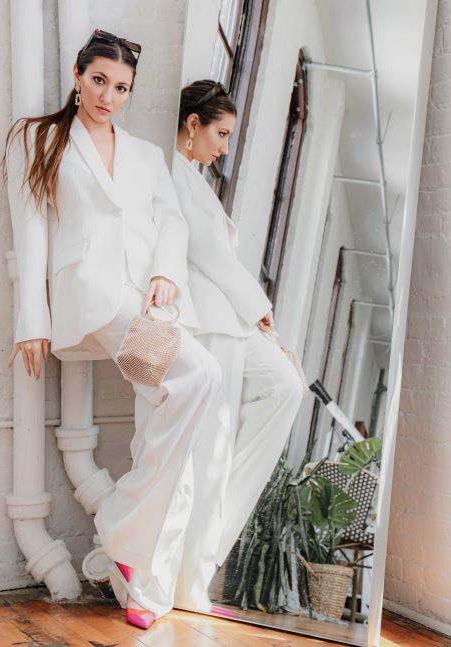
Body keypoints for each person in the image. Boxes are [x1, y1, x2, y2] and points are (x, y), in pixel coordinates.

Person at [0, 31, 225, 630]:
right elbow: (30, 228)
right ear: (78, 75)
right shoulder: (39, 138)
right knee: (201, 373)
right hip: (96, 299)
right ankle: (122, 529)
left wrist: (166, 273)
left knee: (171, 409)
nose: (108, 96)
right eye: (99, 80)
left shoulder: (147, 155)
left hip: (149, 302)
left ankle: (133, 571)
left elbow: (171, 221)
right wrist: (31, 320)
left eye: (121, 88)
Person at [169, 80, 305, 610]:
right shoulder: (173, 173)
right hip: (210, 322)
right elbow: (209, 255)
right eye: (221, 134)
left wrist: (254, 311)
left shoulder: (194, 180)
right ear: (193, 124)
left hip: (228, 320)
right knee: (209, 450)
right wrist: (259, 306)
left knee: (284, 389)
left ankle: (201, 558)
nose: (224, 147)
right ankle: (189, 573)